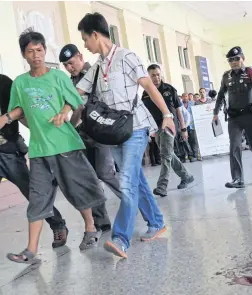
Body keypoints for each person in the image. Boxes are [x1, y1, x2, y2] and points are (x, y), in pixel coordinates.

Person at [0, 29, 106, 264]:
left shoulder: (58, 77)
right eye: (30, 51)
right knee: (37, 198)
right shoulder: (20, 82)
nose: (36, 55)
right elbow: (19, 109)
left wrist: (64, 112)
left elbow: (76, 100)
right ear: (24, 55)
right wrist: (7, 117)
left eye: (39, 50)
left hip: (65, 144)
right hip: (39, 150)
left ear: (44, 50)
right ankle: (31, 249)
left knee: (76, 188)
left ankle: (90, 228)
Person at [76, 13, 176, 258]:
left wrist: (167, 114)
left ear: (95, 35)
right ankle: (156, 221)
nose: (85, 44)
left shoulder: (127, 57)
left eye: (85, 39)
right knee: (137, 181)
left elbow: (149, 87)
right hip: (115, 132)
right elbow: (77, 92)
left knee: (127, 182)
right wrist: (61, 108)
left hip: (137, 127)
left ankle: (120, 239)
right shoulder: (98, 66)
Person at [59, 43, 122, 232]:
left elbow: (78, 107)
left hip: (100, 133)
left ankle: (135, 202)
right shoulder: (70, 82)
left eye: (71, 63)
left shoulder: (94, 74)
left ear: (80, 56)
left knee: (105, 173)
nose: (70, 67)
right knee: (90, 179)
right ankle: (101, 219)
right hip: (83, 135)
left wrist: (70, 125)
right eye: (66, 66)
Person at [213, 46, 252, 188]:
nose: (234, 62)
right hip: (234, 117)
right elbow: (220, 94)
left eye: (237, 59)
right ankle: (237, 179)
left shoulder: (251, 72)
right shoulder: (226, 76)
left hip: (250, 115)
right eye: (230, 60)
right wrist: (215, 112)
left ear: (243, 58)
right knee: (234, 147)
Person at [142, 64, 194, 197]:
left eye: (158, 74)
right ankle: (186, 176)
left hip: (170, 126)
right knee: (168, 153)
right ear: (149, 76)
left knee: (165, 156)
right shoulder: (145, 93)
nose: (156, 77)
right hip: (156, 127)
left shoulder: (170, 90)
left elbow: (179, 111)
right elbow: (145, 113)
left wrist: (183, 128)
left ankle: (162, 186)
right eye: (153, 75)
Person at [182, 93, 199, 160]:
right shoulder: (180, 104)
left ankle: (195, 155)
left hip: (192, 125)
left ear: (188, 97)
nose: (185, 98)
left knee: (193, 140)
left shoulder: (192, 103)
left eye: (186, 96)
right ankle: (189, 155)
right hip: (184, 125)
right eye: (183, 96)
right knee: (185, 141)